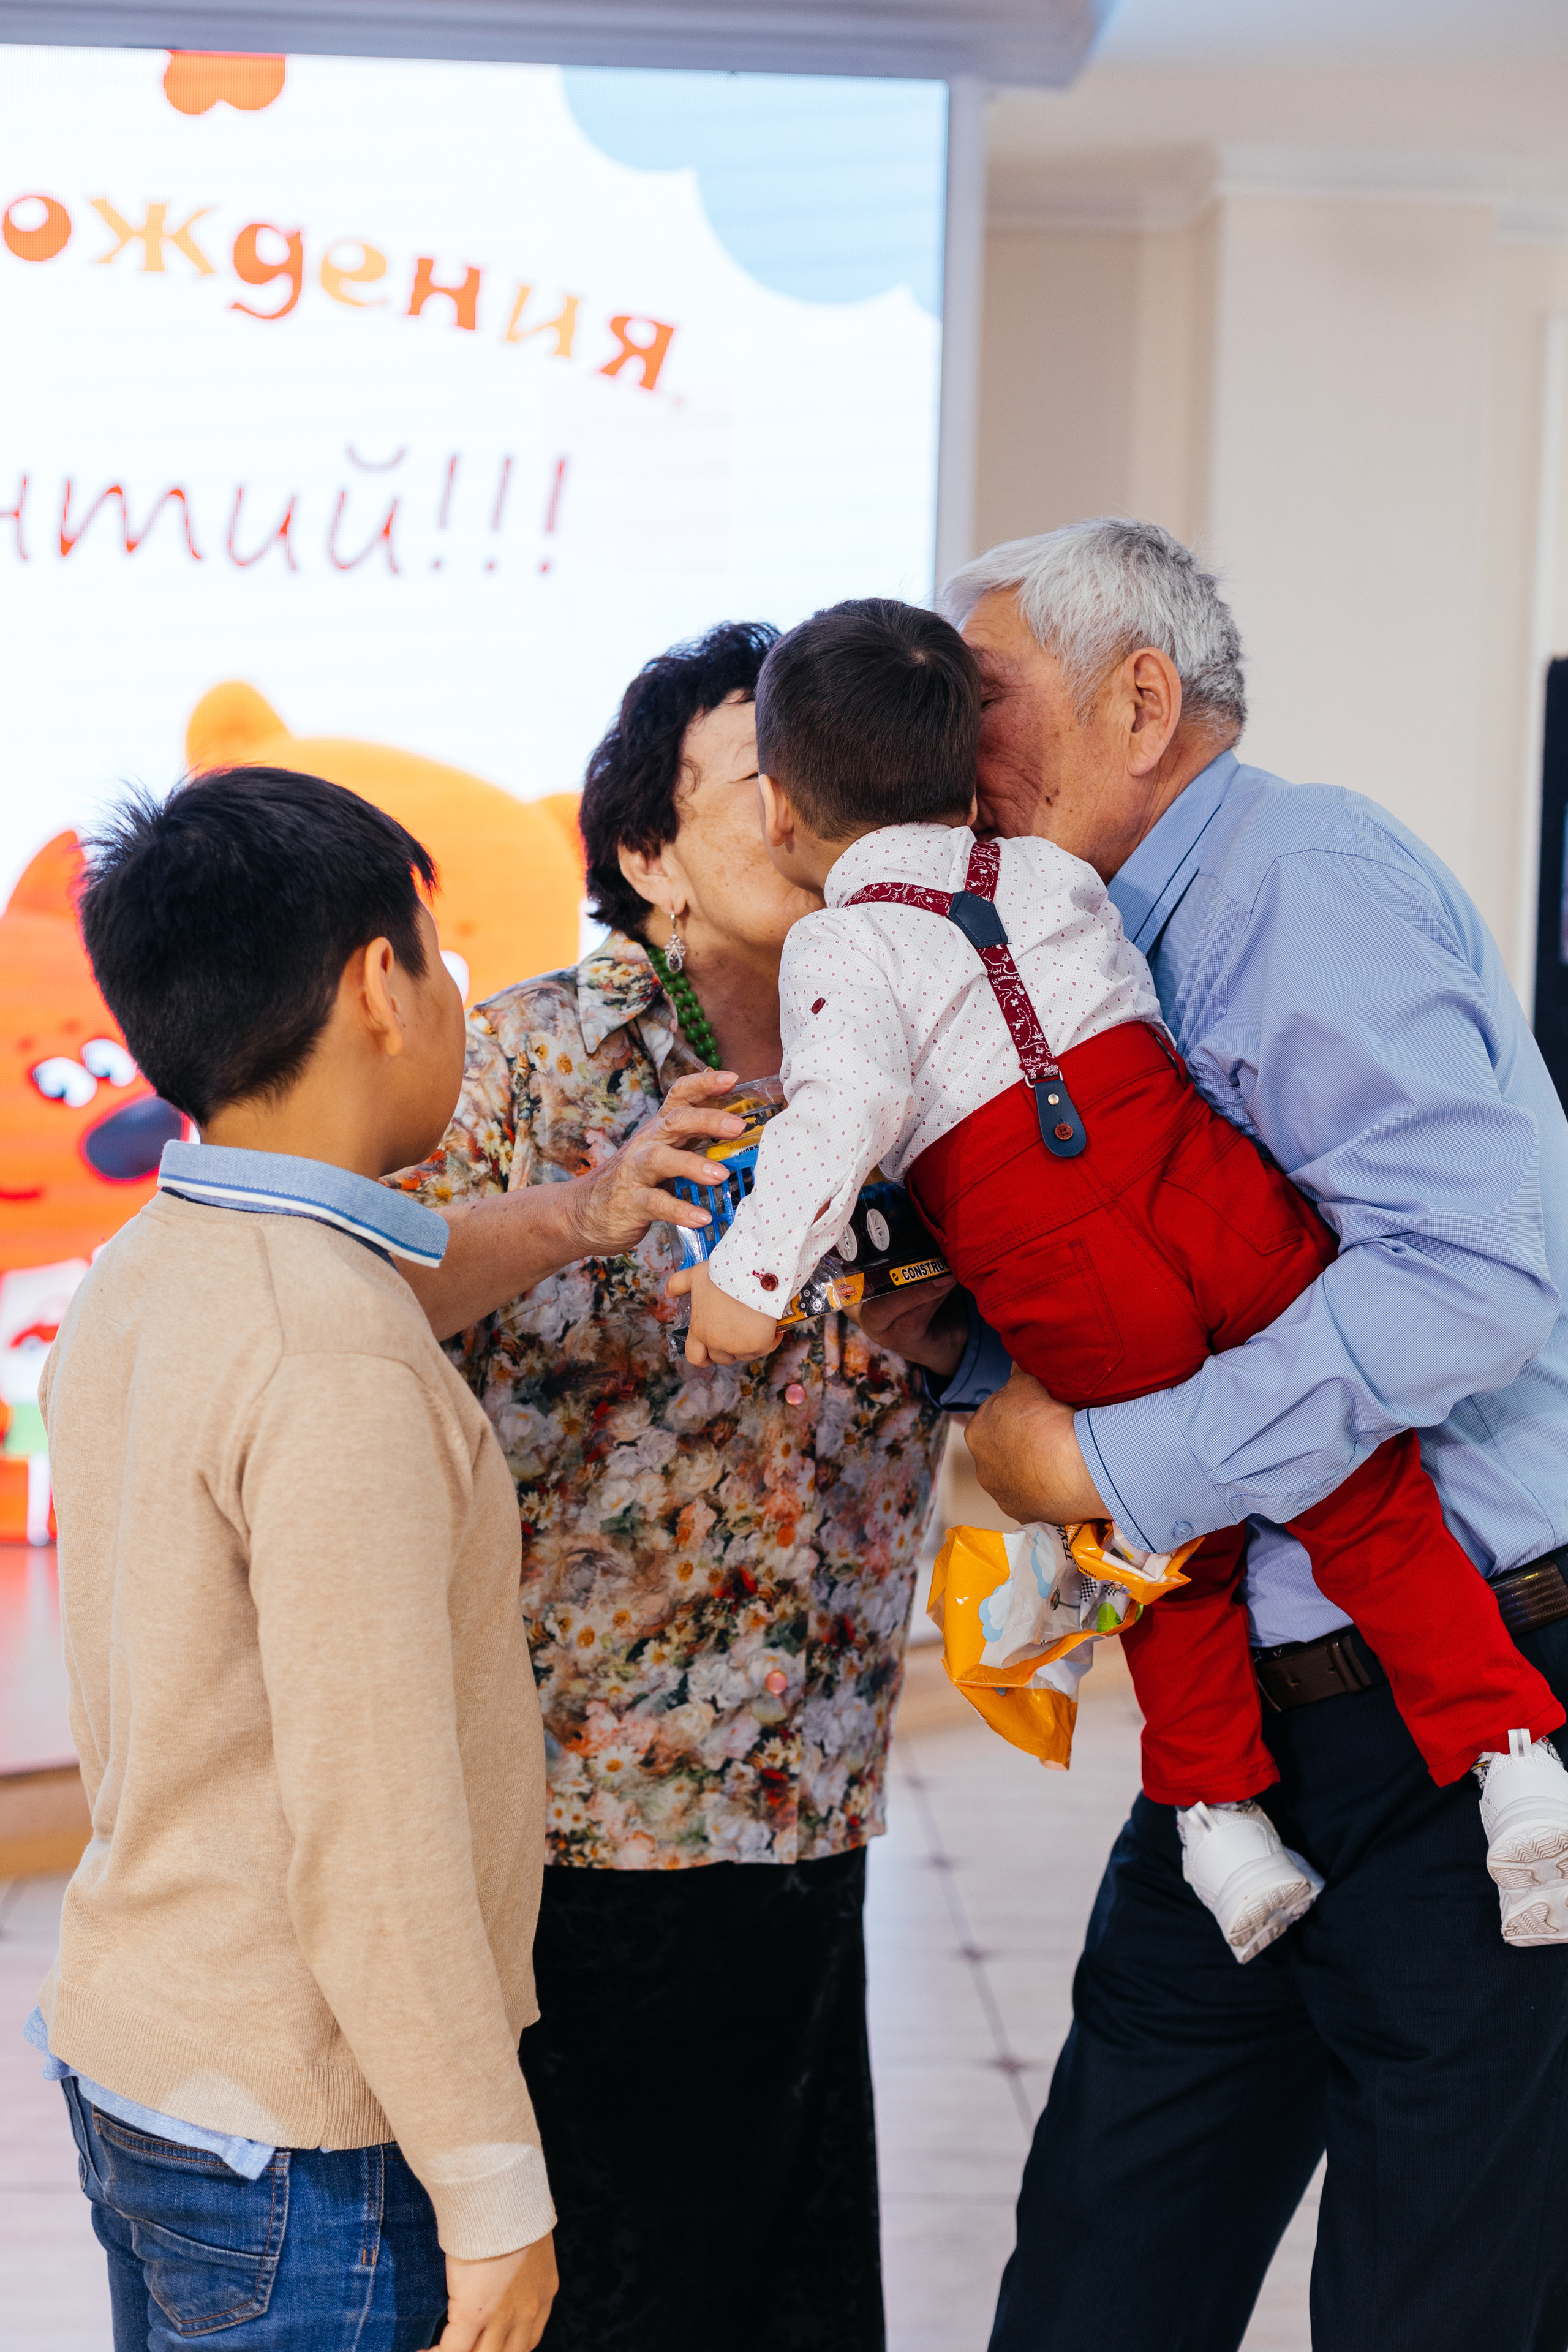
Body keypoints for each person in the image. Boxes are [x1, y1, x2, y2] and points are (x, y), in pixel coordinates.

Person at [679, 591, 1568, 1961]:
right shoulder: (1049, 876)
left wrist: (740, 1287)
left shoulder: (838, 941)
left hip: (1070, 1280)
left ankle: (1217, 1821)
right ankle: (1510, 1757)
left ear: (784, 810)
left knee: (1165, 1547)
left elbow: (839, 1111)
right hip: (1218, 1205)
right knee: (1367, 1494)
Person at [929, 519, 1568, 2351]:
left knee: (1433, 2304)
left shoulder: (1298, 879)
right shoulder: (1049, 952)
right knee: (1099, 2282)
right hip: (1239, 1743)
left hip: (1466, 1706)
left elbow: (1464, 1286)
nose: (940, 755)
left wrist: (1115, 1472)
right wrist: (979, 1372)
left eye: (979, 704)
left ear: (1141, 698)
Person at [393, 621, 955, 2352]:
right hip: (587, 1821)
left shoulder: (912, 1070)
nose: (805, 819)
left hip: (814, 1795)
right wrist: (578, 1209)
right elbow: (371, 1289)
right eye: (758, 783)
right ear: (647, 852)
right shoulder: (521, 1059)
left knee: (789, 2292)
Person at [35, 768, 558, 2352]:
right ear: (377, 983)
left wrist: (577, 1219)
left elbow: (374, 1279)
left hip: (152, 2056)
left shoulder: (153, 1265)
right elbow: (376, 1841)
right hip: (305, 2137)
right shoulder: (338, 1365)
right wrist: (494, 2196)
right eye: (441, 945)